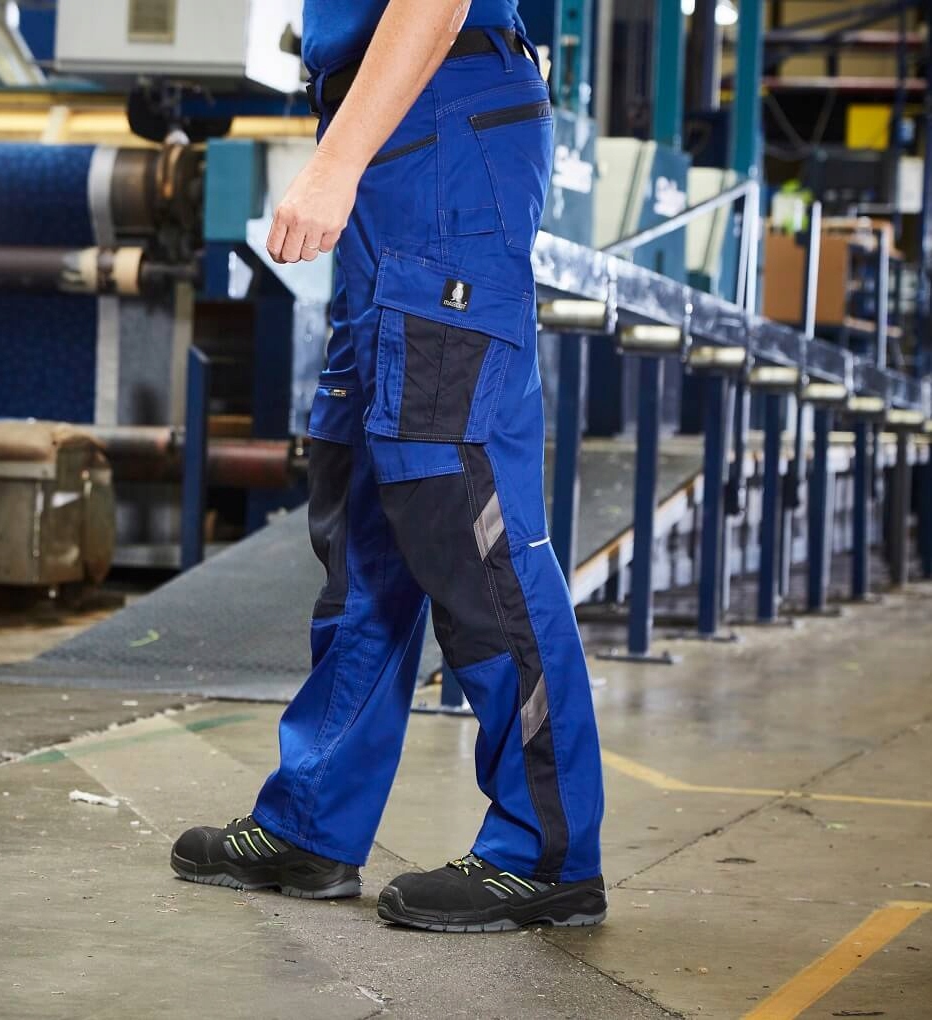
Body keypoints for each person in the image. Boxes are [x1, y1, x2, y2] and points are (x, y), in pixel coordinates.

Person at [170, 0, 607, 932]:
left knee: (459, 499)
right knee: (363, 497)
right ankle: (313, 821)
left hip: (440, 124)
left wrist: (335, 162)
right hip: (390, 130)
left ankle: (548, 850)